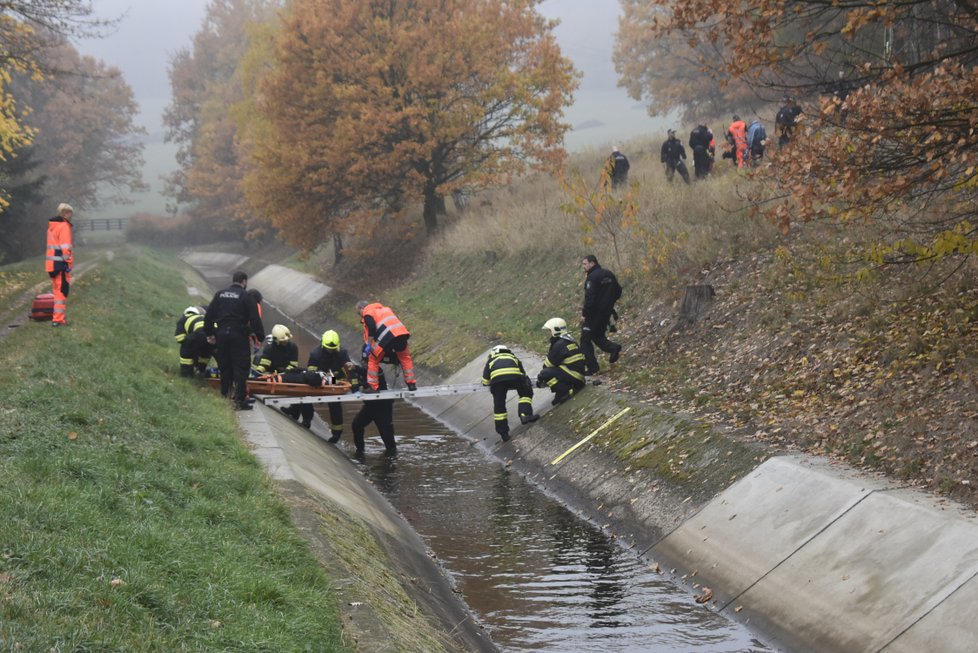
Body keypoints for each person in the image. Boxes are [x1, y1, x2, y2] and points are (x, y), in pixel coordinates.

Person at [204, 271, 265, 411]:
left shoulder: (220, 294)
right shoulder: (246, 296)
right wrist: (260, 337)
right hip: (239, 335)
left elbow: (209, 315)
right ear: (244, 282)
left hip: (222, 334)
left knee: (225, 366)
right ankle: (240, 399)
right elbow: (255, 319)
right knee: (241, 367)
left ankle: (225, 396)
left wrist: (210, 333)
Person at [291, 329, 360, 436]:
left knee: (335, 404)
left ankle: (337, 433)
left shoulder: (342, 353)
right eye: (329, 349)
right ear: (323, 345)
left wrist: (355, 387)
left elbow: (350, 371)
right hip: (319, 381)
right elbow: (311, 374)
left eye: (333, 349)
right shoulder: (315, 354)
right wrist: (323, 380)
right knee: (305, 394)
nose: (331, 351)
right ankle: (307, 419)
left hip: (337, 383)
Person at [481, 345, 539, 442]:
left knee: (499, 406)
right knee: (525, 393)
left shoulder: (491, 360)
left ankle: (503, 433)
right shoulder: (513, 357)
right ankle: (525, 414)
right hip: (514, 377)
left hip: (498, 382)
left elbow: (485, 381)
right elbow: (523, 374)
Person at [357, 300, 417, 392]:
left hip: (387, 338)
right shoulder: (386, 309)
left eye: (358, 313)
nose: (360, 315)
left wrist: (369, 344)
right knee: (405, 357)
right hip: (401, 334)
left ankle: (373, 387)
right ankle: (411, 384)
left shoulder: (368, 313)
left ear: (362, 308)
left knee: (373, 359)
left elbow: (372, 327)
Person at [580, 255, 622, 375]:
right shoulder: (609, 274)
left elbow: (590, 299)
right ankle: (613, 348)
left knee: (585, 340)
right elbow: (618, 291)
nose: (583, 267)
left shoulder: (592, 278)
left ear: (592, 263)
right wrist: (609, 303)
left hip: (593, 314)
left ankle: (593, 368)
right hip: (606, 313)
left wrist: (585, 314)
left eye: (585, 264)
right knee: (597, 336)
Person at [351, 357, 397, 456]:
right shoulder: (358, 372)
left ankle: (391, 457)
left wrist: (355, 368)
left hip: (383, 406)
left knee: (386, 435)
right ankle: (360, 451)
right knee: (356, 425)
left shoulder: (377, 370)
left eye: (367, 362)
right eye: (363, 362)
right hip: (370, 406)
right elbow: (349, 381)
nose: (365, 364)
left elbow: (366, 372)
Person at [536, 318, 587, 406]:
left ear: (555, 330)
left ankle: (565, 391)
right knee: (551, 372)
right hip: (579, 376)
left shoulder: (559, 344)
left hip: (574, 376)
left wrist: (540, 380)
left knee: (545, 373)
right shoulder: (569, 340)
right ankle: (561, 393)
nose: (548, 333)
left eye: (549, 330)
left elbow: (547, 365)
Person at [45, 203, 74, 327]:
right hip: (60, 265)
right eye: (70, 213)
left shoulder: (52, 227)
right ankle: (58, 320)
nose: (71, 216)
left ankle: (57, 319)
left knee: (57, 292)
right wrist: (68, 263)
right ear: (66, 213)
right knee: (62, 292)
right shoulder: (64, 227)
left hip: (51, 265)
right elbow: (65, 248)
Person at [175, 305, 212, 378]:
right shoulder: (203, 318)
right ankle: (201, 371)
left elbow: (179, 338)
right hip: (211, 335)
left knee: (186, 353)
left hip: (198, 334)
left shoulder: (184, 318)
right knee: (205, 353)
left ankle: (187, 375)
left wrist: (187, 344)